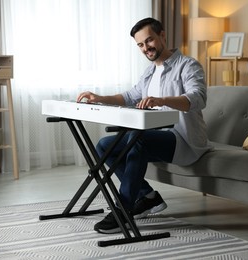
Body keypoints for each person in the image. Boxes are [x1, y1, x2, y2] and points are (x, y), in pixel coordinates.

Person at [77, 17, 211, 234]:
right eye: (140, 44)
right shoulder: (149, 72)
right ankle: (147, 197)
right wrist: (99, 98)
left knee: (137, 139)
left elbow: (198, 98)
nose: (146, 48)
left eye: (149, 41)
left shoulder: (188, 65)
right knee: (104, 146)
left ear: (162, 36)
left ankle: (123, 209)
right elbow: (130, 96)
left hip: (183, 140)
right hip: (154, 138)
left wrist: (162, 100)